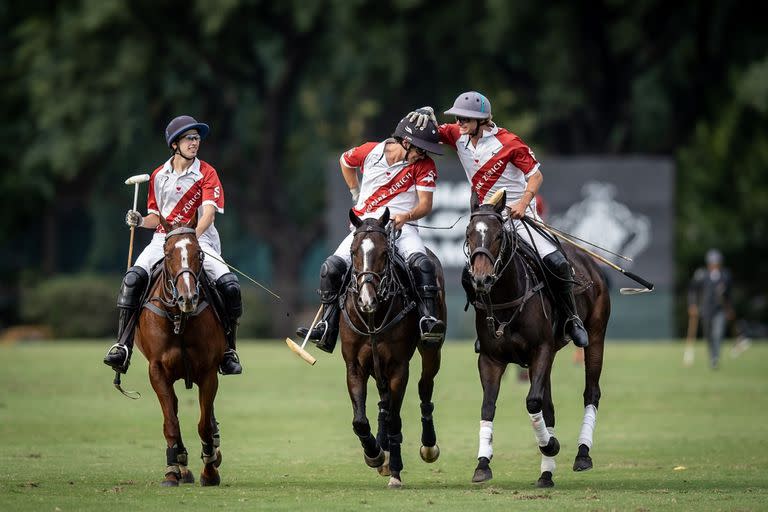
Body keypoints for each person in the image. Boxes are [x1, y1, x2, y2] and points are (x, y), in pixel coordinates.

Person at [408, 93, 588, 347]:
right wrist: (423, 112)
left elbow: (536, 177)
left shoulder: (509, 142)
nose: (459, 121)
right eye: (457, 117)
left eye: (465, 118)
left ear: (481, 120)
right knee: (468, 275)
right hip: (488, 220)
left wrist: (524, 203)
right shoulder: (458, 134)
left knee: (557, 263)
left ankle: (571, 319)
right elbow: (427, 133)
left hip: (519, 217)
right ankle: (486, 328)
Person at [103, 115, 243, 375]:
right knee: (132, 279)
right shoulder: (158, 175)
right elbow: (156, 216)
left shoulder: (207, 173)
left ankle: (228, 350)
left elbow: (208, 215)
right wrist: (140, 220)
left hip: (200, 240)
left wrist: (190, 238)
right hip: (163, 240)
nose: (195, 142)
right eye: (189, 138)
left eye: (197, 138)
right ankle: (123, 346)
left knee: (230, 286)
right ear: (175, 144)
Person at [296, 115, 447, 353]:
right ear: (406, 142)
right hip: (365, 229)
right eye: (421, 148)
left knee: (423, 265)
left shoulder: (424, 165)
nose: (423, 154)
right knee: (331, 268)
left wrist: (405, 216)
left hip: (401, 227)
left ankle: (427, 321)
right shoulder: (370, 151)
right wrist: (355, 191)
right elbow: (345, 161)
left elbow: (425, 205)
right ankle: (326, 326)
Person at [688, 248, 732, 369]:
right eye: (712, 262)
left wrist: (729, 309)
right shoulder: (701, 275)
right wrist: (692, 305)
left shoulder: (726, 275)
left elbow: (729, 295)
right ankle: (712, 356)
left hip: (720, 310)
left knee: (718, 333)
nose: (714, 265)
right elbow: (692, 290)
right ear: (709, 263)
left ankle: (715, 358)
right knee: (708, 336)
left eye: (716, 262)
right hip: (706, 310)